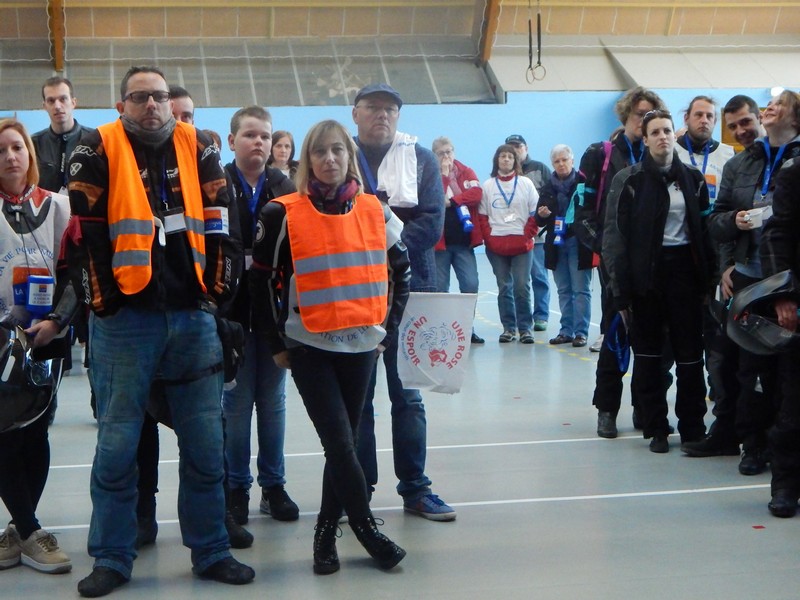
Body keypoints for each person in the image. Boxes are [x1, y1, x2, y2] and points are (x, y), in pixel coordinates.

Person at [66, 65, 253, 597]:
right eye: (139, 97)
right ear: (121, 105)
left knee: (205, 446)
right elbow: (83, 237)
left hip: (193, 319)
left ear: (171, 102)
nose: (151, 105)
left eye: (159, 96)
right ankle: (112, 556)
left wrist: (215, 296)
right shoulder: (94, 148)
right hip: (124, 324)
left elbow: (223, 223)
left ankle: (211, 550)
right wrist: (104, 305)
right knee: (116, 447)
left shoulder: (202, 146)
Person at [249, 118, 409, 573]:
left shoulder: (377, 211)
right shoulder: (280, 213)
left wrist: (387, 331)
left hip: (362, 346)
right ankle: (367, 530)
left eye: (337, 150)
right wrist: (275, 341)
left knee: (346, 445)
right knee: (339, 443)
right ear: (307, 160)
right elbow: (260, 283)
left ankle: (324, 533)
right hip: (308, 346)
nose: (330, 159)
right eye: (320, 152)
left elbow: (403, 272)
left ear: (349, 156)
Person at [351, 83, 454, 521]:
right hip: (354, 293)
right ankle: (357, 490)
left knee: (408, 395)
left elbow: (431, 222)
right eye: (373, 107)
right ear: (355, 113)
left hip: (411, 289)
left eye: (391, 109)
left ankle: (415, 488)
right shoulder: (341, 156)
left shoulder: (422, 159)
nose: (383, 115)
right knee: (358, 399)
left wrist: (382, 250)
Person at [690, 91, 800, 473]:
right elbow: (717, 221)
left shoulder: (796, 162)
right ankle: (751, 445)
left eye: (746, 122)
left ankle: (780, 450)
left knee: (787, 375)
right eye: (733, 126)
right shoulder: (739, 164)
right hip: (749, 280)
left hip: (788, 280)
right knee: (748, 370)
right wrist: (728, 258)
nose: (741, 130)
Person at [602, 109, 713, 453]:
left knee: (690, 356)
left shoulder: (693, 178)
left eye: (667, 130)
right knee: (649, 357)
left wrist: (708, 282)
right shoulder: (629, 181)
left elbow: (705, 233)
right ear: (646, 139)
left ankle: (693, 427)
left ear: (673, 135)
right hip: (646, 278)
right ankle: (656, 428)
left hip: (685, 275)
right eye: (655, 132)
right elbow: (615, 238)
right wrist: (621, 293)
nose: (662, 136)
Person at [0, 118, 77, 574]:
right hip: (1, 342)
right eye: (1, 150)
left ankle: (18, 531)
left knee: (37, 431)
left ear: (30, 154)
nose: (10, 157)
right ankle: (31, 531)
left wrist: (56, 320)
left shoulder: (59, 207)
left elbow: (77, 272)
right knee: (5, 431)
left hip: (49, 335)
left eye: (17, 148)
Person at [575, 86, 667, 438]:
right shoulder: (600, 154)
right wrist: (608, 252)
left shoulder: (662, 157)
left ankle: (645, 408)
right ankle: (607, 410)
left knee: (653, 340)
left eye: (651, 116)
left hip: (655, 264)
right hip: (615, 264)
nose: (644, 121)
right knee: (616, 334)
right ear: (626, 115)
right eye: (639, 114)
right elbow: (581, 212)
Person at [222, 106, 299, 525]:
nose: (259, 142)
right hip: (232, 312)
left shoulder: (285, 187)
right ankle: (236, 487)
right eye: (250, 135)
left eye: (265, 136)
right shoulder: (217, 185)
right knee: (236, 404)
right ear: (231, 140)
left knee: (272, 403)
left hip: (274, 312)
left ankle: (273, 486)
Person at [760, 143, 800, 517]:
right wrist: (782, 295)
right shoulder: (793, 172)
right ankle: (785, 484)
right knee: (793, 403)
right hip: (797, 304)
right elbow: (776, 234)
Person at [478, 144, 539, 344]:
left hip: (522, 244)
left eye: (510, 157)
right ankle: (509, 328)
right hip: (496, 244)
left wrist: (527, 235)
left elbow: (535, 213)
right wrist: (490, 238)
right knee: (504, 286)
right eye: (502, 156)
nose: (506, 160)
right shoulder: (488, 186)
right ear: (496, 160)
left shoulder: (525, 184)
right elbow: (482, 216)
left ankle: (525, 328)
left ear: (516, 161)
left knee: (521, 286)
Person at [535, 144, 593, 348]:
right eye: (556, 161)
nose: (561, 164)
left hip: (579, 242)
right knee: (564, 290)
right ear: (552, 164)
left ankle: (581, 332)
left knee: (581, 289)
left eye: (564, 160)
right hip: (556, 243)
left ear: (572, 160)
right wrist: (541, 215)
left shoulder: (584, 183)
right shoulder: (547, 188)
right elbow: (539, 219)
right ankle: (566, 331)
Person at [431, 136, 484, 344]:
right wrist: (444, 175)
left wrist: (453, 201)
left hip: (463, 243)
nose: (446, 156)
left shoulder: (466, 171)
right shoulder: (430, 174)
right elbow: (435, 199)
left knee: (470, 285)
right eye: (441, 153)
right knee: (440, 290)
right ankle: (442, 331)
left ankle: (467, 329)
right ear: (434, 155)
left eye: (449, 151)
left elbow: (476, 194)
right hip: (440, 244)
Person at [505, 134, 551, 332]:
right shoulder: (503, 173)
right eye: (511, 147)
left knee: (539, 276)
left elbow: (551, 196)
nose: (515, 150)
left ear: (526, 148)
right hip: (513, 236)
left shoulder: (540, 168)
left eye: (518, 146)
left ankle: (541, 316)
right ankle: (521, 318)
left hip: (537, 235)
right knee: (518, 281)